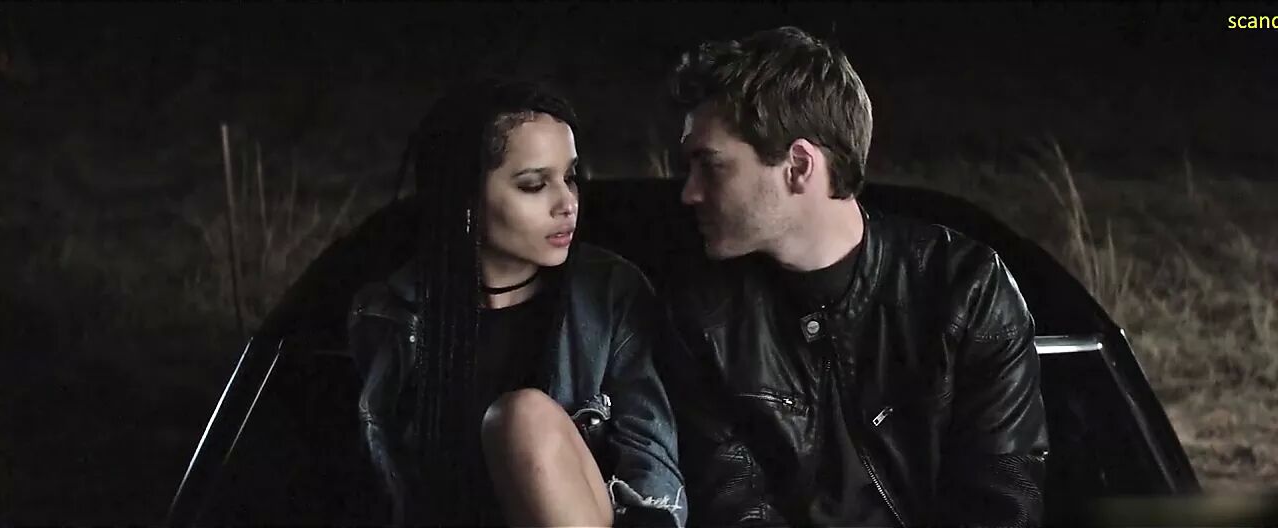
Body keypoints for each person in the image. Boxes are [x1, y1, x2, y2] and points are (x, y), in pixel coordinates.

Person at [657, 27, 1049, 527]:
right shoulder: (703, 313)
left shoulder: (965, 289)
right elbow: (733, 505)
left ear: (798, 166)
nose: (689, 192)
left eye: (710, 167)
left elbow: (1002, 508)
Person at [347, 78, 686, 527]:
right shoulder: (388, 314)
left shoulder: (608, 294)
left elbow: (652, 465)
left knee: (522, 419)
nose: (567, 203)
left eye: (570, 177)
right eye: (534, 185)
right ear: (467, 200)